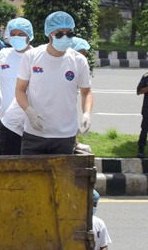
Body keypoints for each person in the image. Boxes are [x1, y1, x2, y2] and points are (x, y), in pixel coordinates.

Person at [10, 11, 93, 155]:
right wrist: (28, 111)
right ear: (49, 34)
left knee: (61, 177)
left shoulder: (79, 60)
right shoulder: (32, 56)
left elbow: (86, 92)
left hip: (65, 135)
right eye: (59, 34)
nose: (65, 37)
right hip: (35, 133)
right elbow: (20, 90)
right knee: (31, 177)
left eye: (69, 34)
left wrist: (86, 113)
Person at [0, 17, 34, 156]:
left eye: (21, 34)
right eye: (14, 34)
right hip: (3, 122)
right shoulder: (3, 54)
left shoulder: (37, 56)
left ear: (30, 35)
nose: (17, 38)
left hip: (28, 122)